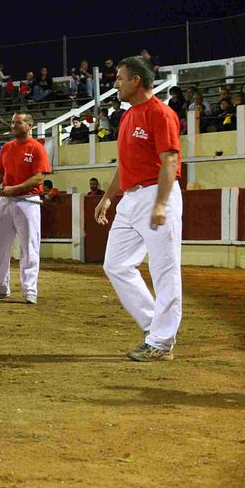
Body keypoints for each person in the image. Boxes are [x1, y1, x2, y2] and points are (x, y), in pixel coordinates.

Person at [95, 56, 182, 362]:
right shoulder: (128, 116)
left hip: (157, 195)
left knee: (165, 270)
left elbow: (170, 159)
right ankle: (153, 327)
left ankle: (161, 342)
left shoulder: (161, 113)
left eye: (119, 78)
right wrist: (108, 197)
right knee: (115, 265)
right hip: (130, 199)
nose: (115, 83)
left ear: (136, 81)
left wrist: (161, 202)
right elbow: (125, 164)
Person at [0, 112, 51, 305]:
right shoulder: (6, 148)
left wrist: (14, 189)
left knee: (29, 246)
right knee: (0, 245)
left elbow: (39, 178)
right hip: (7, 201)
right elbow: (1, 173)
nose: (13, 126)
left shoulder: (37, 148)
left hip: (28, 201)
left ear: (29, 126)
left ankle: (29, 290)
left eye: (18, 123)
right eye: (12, 122)